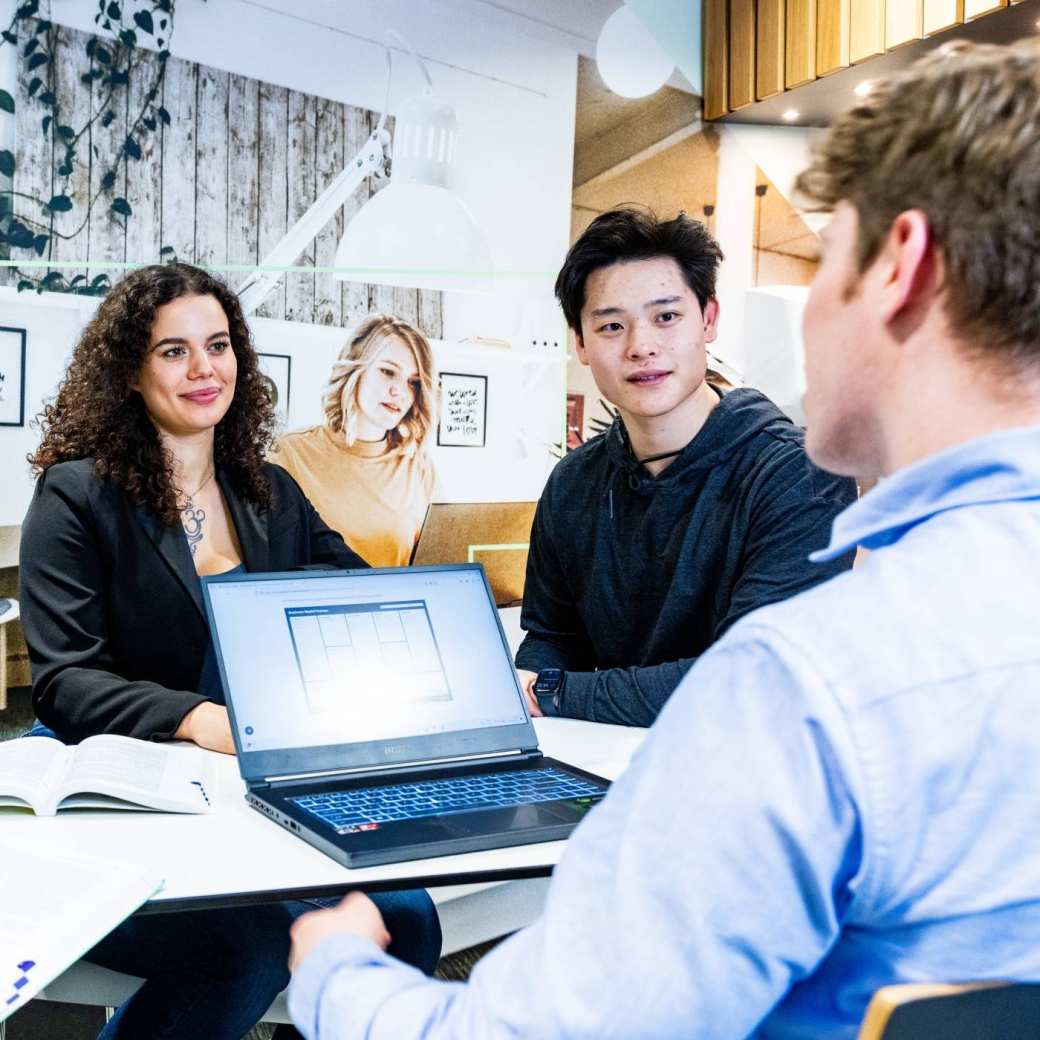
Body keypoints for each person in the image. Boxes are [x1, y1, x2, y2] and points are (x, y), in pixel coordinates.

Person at [284, 38, 1040, 1038]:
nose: (641, 346)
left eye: (825, 258)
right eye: (610, 325)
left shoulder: (806, 686)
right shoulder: (585, 493)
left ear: (896, 264)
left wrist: (336, 971)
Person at [18, 264, 441, 1040]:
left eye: (217, 345)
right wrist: (197, 719)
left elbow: (350, 596)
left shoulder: (269, 492)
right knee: (240, 950)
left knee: (407, 919)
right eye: (173, 351)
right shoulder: (76, 494)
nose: (204, 367)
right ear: (130, 371)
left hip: (249, 800)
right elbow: (65, 684)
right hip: (126, 801)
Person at [514, 207, 857, 726]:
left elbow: (751, 682)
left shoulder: (798, 475)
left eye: (667, 317)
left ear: (709, 320)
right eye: (611, 325)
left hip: (751, 779)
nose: (641, 346)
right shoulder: (573, 482)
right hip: (600, 767)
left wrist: (557, 693)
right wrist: (534, 688)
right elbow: (551, 641)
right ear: (580, 344)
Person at [269, 315, 437, 567]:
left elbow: (436, 567)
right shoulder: (288, 454)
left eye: (413, 383)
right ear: (355, 368)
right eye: (388, 371)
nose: (399, 391)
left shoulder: (418, 467)